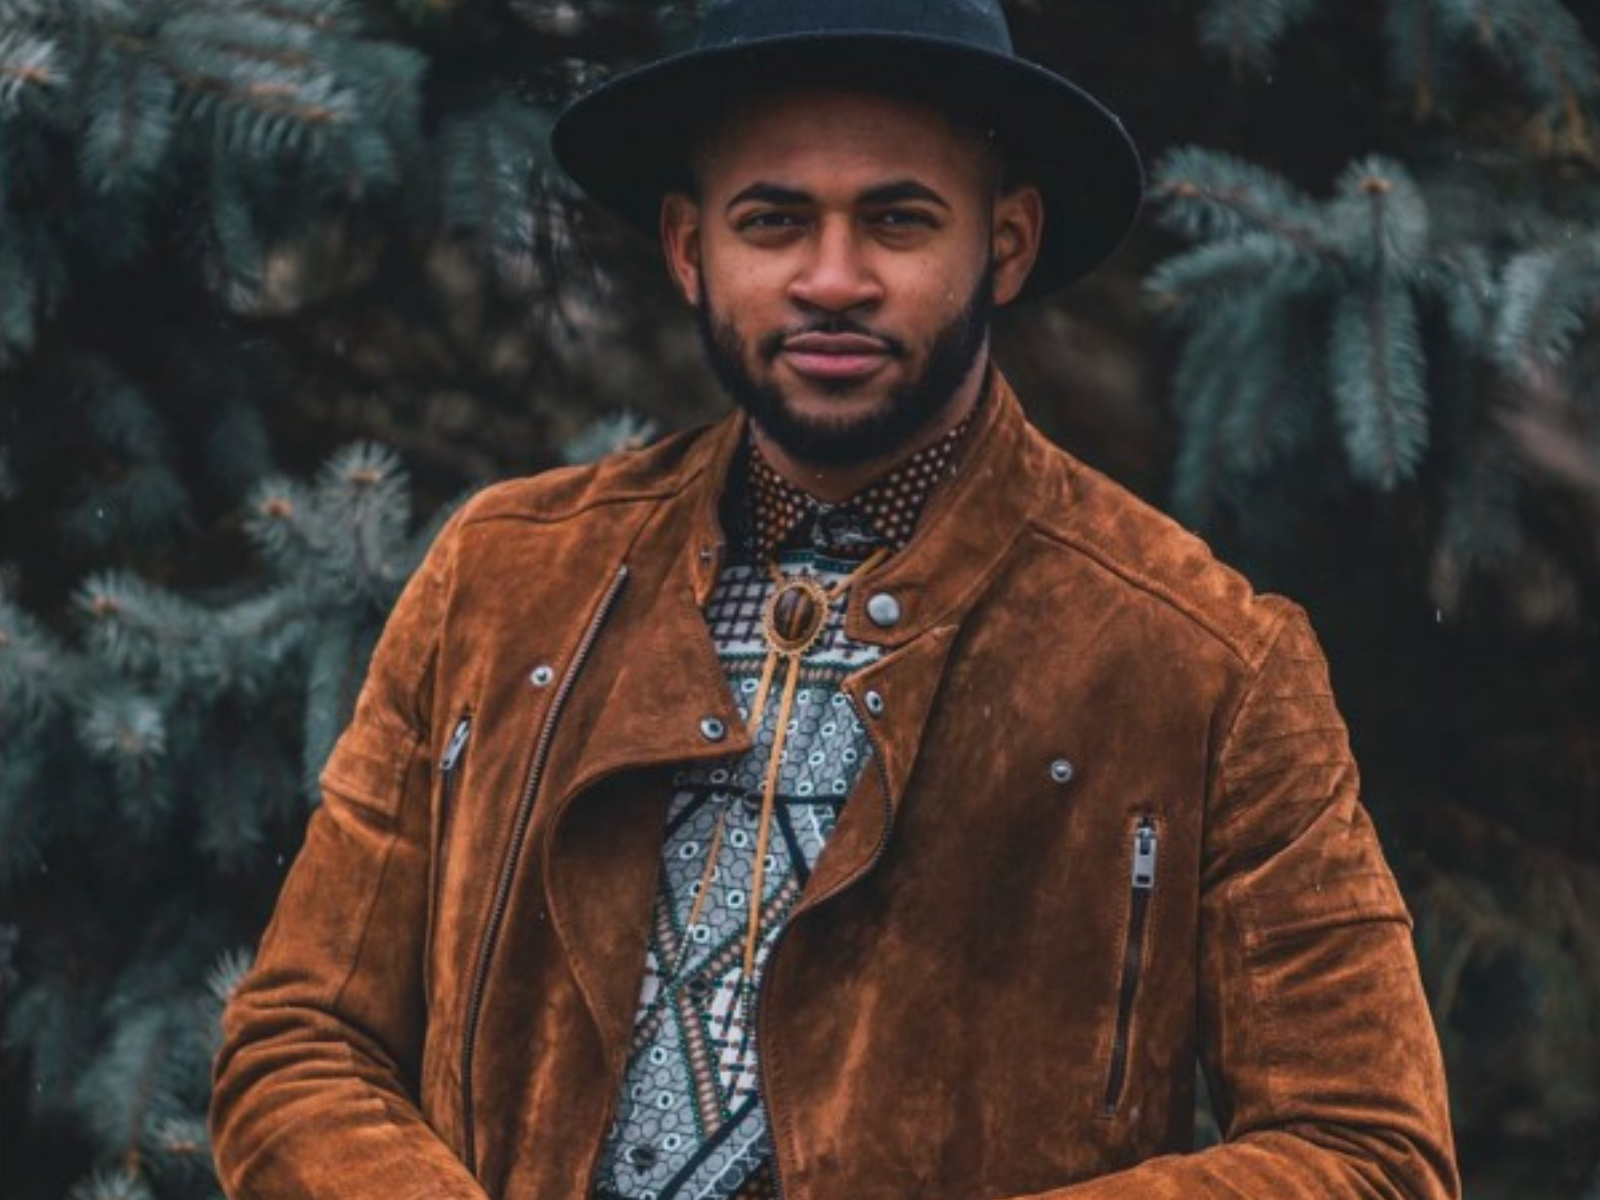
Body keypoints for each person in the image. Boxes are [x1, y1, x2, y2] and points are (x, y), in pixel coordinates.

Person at [209, 3, 1460, 1199]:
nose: (832, 278)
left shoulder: (1200, 659)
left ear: (1006, 244)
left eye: (898, 220)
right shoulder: (505, 578)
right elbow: (299, 1042)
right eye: (773, 221)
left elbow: (1367, 1155)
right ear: (690, 249)